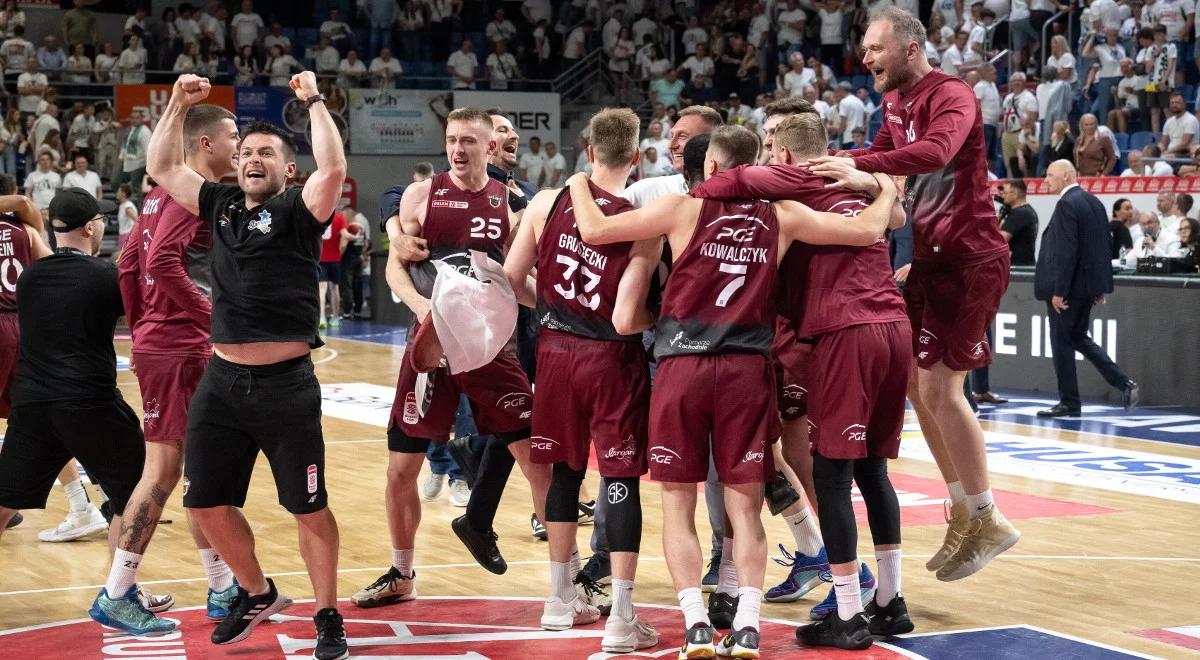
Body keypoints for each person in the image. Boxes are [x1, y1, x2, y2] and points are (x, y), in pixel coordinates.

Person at [566, 124, 900, 658]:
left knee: (678, 506)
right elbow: (865, 233)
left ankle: (696, 623)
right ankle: (747, 624)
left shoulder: (681, 209)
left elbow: (594, 230)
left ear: (714, 168)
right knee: (745, 511)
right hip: (747, 371)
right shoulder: (781, 214)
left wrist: (579, 183)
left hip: (682, 368)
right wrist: (884, 191)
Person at [808, 8, 1021, 583]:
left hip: (971, 258)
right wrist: (819, 170)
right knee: (912, 381)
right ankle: (962, 508)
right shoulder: (895, 104)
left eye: (875, 48)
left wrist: (857, 163)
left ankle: (986, 514)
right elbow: (883, 167)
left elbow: (931, 155)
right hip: (929, 258)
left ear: (910, 47)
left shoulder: (951, 94)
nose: (866, 58)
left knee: (942, 387)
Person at [691, 114, 913, 650]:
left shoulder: (786, 189)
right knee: (874, 473)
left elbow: (719, 183)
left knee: (833, 477)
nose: (765, 156)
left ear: (786, 155)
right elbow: (899, 216)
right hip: (895, 327)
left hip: (846, 331)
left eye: (769, 147)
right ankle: (890, 601)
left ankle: (850, 613)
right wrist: (881, 183)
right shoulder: (853, 180)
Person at [146, 72, 348, 659]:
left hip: (287, 387)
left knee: (307, 507)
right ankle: (258, 591)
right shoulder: (221, 202)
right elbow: (164, 166)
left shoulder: (299, 210)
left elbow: (331, 167)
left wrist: (312, 102)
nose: (253, 158)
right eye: (246, 152)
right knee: (204, 502)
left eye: (266, 153)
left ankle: (328, 614)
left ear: (288, 170)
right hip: (223, 382)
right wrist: (178, 106)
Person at [352, 108, 551, 613]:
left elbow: (516, 278)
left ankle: (565, 583)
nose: (458, 150)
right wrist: (427, 314)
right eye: (451, 140)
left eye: (468, 141)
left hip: (488, 349)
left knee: (538, 461)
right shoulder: (422, 195)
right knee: (401, 466)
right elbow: (397, 269)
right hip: (432, 348)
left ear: (490, 148)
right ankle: (401, 571)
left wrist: (559, 310)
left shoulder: (509, 206)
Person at [502, 107, 660, 654]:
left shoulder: (546, 203)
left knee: (565, 472)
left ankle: (558, 599)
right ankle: (620, 615)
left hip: (554, 353)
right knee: (619, 479)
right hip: (611, 357)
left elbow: (509, 275)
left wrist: (546, 307)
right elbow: (629, 311)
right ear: (636, 158)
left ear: (589, 151)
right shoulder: (642, 220)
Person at [95, 104, 241, 635]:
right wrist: (210, 318)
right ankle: (115, 593)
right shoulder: (187, 194)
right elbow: (157, 264)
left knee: (201, 469)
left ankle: (223, 587)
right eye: (233, 136)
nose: (239, 145)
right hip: (182, 348)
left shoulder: (156, 197)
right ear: (205, 145)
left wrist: (141, 329)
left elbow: (129, 265)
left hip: (164, 345)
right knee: (164, 473)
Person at [0, 190, 148, 616]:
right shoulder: (106, 277)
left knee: (4, 499)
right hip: (88, 403)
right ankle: (122, 594)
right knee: (135, 496)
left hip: (31, 405)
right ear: (91, 227)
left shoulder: (30, 279)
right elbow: (141, 314)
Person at [1035, 161, 1139, 418]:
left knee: (1062, 344)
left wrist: (1058, 291)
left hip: (1067, 290)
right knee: (1079, 337)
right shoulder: (1094, 202)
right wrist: (1098, 287)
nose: (1045, 180)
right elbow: (1101, 247)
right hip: (1084, 287)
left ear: (1067, 176)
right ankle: (1123, 383)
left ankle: (1069, 402)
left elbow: (1067, 251)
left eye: (1050, 175)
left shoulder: (1067, 204)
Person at [0, 186, 50, 535]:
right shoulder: (26, 230)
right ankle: (81, 501)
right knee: (32, 415)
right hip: (25, 324)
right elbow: (51, 263)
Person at [318, 209, 349, 328]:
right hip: (334, 259)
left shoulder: (318, 216)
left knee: (321, 289)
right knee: (334, 288)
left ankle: (322, 318)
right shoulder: (339, 218)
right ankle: (335, 317)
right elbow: (345, 239)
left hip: (320, 259)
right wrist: (340, 253)